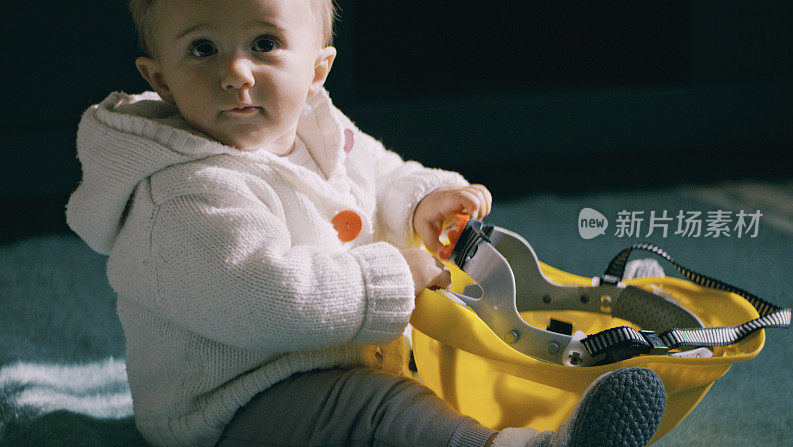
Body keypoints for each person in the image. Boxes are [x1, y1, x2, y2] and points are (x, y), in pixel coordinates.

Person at [66, 0, 666, 446]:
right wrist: (389, 279)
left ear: (317, 68)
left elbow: (379, 173)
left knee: (454, 352)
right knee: (381, 415)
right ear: (161, 80)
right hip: (241, 403)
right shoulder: (185, 192)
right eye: (203, 49)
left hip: (342, 355)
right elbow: (263, 295)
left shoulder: (316, 127)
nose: (237, 72)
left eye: (266, 42)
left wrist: (421, 202)